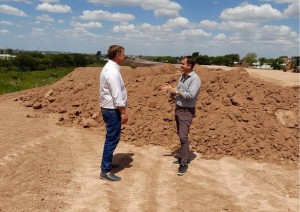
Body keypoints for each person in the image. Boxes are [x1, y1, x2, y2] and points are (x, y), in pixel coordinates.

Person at [161, 56, 201, 176]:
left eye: (183, 64)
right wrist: (171, 92)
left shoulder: (195, 79)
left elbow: (190, 95)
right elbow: (178, 90)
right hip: (178, 109)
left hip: (187, 111)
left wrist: (176, 91)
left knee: (183, 137)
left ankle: (184, 163)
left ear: (189, 66)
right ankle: (184, 156)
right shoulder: (182, 77)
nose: (181, 65)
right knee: (181, 135)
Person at [99, 45, 128, 181]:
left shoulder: (110, 68)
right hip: (112, 110)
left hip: (109, 108)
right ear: (117, 55)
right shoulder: (112, 71)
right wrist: (123, 112)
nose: (124, 56)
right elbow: (116, 94)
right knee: (112, 139)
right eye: (123, 54)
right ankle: (105, 170)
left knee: (111, 137)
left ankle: (108, 164)